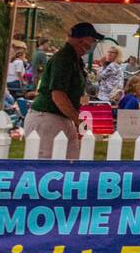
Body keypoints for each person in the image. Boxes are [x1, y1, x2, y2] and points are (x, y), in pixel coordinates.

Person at [24, 22, 104, 159]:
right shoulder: (64, 59)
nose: (93, 43)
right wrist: (78, 120)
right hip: (48, 116)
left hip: (62, 117)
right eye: (92, 40)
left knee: (71, 160)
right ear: (82, 39)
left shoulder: (74, 59)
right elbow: (58, 95)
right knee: (46, 162)